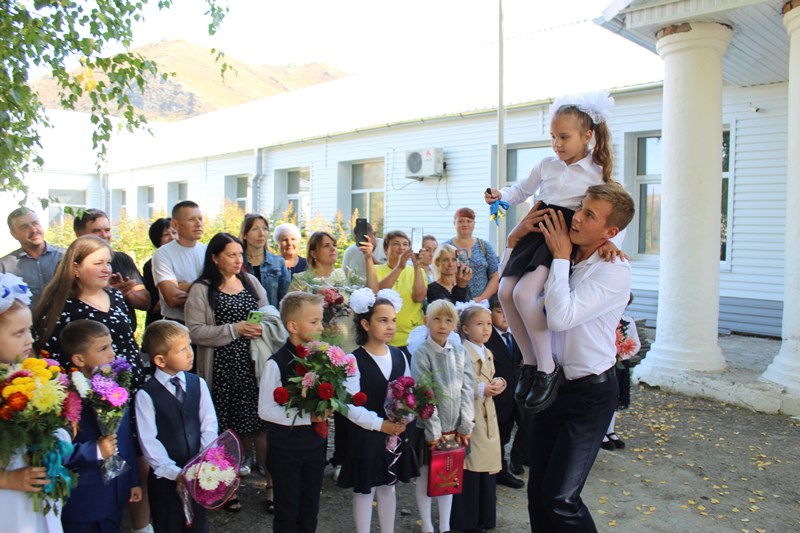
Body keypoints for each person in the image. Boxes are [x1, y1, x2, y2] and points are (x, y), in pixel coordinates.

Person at [486, 91, 621, 414]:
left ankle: (547, 367)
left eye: (564, 137)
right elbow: (521, 191)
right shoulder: (547, 165)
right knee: (505, 292)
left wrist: (611, 240)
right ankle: (530, 363)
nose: (557, 144)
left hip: (558, 237)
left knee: (524, 295)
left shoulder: (597, 171)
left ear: (587, 136)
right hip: (536, 231)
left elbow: (614, 210)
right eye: (553, 137)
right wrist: (500, 195)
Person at [521, 181, 634, 530]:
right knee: (537, 495)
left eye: (590, 215)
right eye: (581, 207)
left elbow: (560, 317)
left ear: (610, 231)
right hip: (552, 385)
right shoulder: (566, 253)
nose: (578, 218)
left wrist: (559, 258)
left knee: (560, 500)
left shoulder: (613, 270)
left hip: (589, 395)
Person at [184, 232, 269, 506]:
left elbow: (269, 316)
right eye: (231, 255)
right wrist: (234, 329)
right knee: (224, 429)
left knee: (259, 427)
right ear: (215, 258)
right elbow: (194, 332)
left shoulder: (250, 281)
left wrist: (260, 328)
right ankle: (227, 487)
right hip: (219, 368)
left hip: (251, 366)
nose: (237, 260)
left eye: (240, 255)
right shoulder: (202, 289)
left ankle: (271, 484)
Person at [338, 288, 418, 533]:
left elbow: (410, 393)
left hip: (394, 434)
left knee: (388, 485)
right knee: (365, 489)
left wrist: (407, 417)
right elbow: (350, 406)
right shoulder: (353, 360)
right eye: (383, 320)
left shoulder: (399, 356)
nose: (390, 326)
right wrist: (380, 424)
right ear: (365, 323)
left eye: (393, 320)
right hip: (367, 434)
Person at [32, 235, 146, 391]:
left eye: (108, 263)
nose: (106, 269)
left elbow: (129, 343)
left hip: (134, 391)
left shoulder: (116, 296)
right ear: (76, 268)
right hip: (93, 399)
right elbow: (51, 359)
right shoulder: (61, 308)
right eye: (98, 263)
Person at [59, 320, 142, 533]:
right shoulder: (66, 399)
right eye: (103, 349)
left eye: (111, 346)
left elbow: (125, 437)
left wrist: (132, 479)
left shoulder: (116, 387)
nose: (112, 354)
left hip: (115, 491)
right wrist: (96, 450)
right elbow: (56, 451)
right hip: (82, 500)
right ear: (79, 359)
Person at [136, 320, 218, 533]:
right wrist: (174, 472)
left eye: (189, 345)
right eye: (182, 350)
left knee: (198, 524)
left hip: (198, 475)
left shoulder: (197, 383)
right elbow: (149, 440)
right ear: (160, 360)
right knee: (170, 523)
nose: (190, 353)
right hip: (165, 479)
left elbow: (209, 424)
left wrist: (203, 461)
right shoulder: (146, 394)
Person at [0, 273, 67, 532]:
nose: (29, 339)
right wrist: (7, 479)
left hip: (36, 498)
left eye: (29, 329)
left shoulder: (32, 375)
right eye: (19, 333)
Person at [258, 291, 329, 533]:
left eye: (321, 320)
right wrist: (308, 417)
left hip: (314, 447)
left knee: (310, 510)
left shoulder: (321, 358)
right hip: (286, 450)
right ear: (292, 326)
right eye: (314, 321)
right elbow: (265, 410)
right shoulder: (275, 363)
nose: (321, 326)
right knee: (287, 512)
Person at [411, 299, 474, 533]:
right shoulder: (422, 353)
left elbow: (467, 387)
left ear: (455, 325)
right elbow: (424, 392)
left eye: (448, 320)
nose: (442, 325)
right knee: (427, 474)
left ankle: (445, 525)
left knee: (450, 474)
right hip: (430, 429)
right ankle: (427, 525)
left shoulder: (460, 352)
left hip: (456, 428)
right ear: (427, 321)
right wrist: (434, 430)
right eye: (436, 319)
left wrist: (466, 423)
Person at [451, 303, 505, 532]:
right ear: (465, 329)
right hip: (470, 414)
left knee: (487, 468)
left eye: (489, 324)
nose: (486, 329)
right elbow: (455, 385)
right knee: (471, 467)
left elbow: (492, 375)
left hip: (487, 414)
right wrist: (481, 389)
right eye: (479, 324)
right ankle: (467, 520)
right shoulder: (460, 352)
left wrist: (501, 382)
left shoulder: (488, 351)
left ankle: (485, 516)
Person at [288, 230, 378, 351]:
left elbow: (372, 292)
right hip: (316, 347)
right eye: (326, 246)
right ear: (313, 253)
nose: (333, 249)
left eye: (334, 245)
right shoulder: (301, 280)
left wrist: (368, 258)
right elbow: (291, 315)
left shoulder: (346, 274)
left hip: (349, 346)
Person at [74, 208, 150, 330]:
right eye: (96, 231)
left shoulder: (123, 260)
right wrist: (106, 292)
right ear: (79, 234)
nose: (104, 236)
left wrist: (128, 293)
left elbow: (145, 302)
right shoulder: (71, 265)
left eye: (107, 230)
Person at [484, 296, 526, 489]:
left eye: (508, 311)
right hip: (496, 397)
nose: (505, 316)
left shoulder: (516, 333)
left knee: (515, 429)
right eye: (499, 312)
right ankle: (497, 471)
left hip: (516, 394)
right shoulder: (486, 337)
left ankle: (514, 461)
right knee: (498, 435)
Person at [152, 201, 206, 324]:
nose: (198, 224)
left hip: (206, 325)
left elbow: (221, 291)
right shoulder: (163, 254)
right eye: (191, 219)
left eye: (200, 219)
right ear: (175, 224)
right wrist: (205, 289)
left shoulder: (208, 251)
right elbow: (172, 299)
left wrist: (186, 286)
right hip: (177, 324)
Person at [0, 207, 65, 310]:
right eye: (24, 227)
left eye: (35, 223)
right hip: (27, 325)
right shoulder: (4, 267)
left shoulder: (65, 257)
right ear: (14, 234)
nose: (33, 230)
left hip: (66, 323)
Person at [376, 231, 427, 359]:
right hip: (384, 340)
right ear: (386, 249)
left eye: (405, 244)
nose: (402, 248)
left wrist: (416, 267)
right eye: (396, 244)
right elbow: (377, 295)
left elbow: (419, 297)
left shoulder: (418, 271)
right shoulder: (376, 270)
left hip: (412, 339)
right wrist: (399, 267)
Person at [601, 293, 641, 452]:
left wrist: (621, 355)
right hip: (603, 363)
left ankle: (610, 430)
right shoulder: (604, 318)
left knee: (615, 398)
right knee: (604, 397)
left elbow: (635, 344)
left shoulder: (628, 322)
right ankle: (601, 432)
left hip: (619, 364)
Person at [445, 207, 500, 304]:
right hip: (453, 302)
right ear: (454, 223)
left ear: (474, 223)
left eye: (469, 221)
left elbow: (495, 275)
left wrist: (481, 299)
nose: (465, 224)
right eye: (461, 221)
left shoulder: (484, 246)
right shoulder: (446, 247)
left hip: (482, 305)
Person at [240, 213, 291, 307]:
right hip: (243, 320)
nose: (261, 234)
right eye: (255, 229)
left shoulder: (278, 263)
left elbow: (285, 299)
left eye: (265, 229)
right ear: (244, 235)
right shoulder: (238, 262)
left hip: (271, 318)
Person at [143, 218, 176, 326]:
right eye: (166, 234)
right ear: (157, 240)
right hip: (162, 323)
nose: (172, 237)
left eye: (175, 232)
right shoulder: (151, 265)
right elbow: (156, 303)